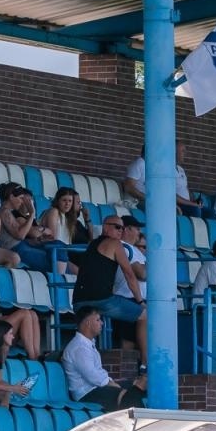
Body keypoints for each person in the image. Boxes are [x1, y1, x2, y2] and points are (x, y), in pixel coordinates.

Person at [72, 215, 145, 350]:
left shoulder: (92, 244)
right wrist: (140, 302)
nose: (121, 231)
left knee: (88, 332)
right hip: (102, 299)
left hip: (78, 300)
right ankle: (146, 364)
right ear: (105, 227)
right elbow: (130, 275)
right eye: (117, 227)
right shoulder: (115, 243)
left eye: (123, 229)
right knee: (145, 316)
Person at [121, 144, 196, 215]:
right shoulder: (139, 164)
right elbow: (128, 187)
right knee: (164, 212)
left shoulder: (151, 167)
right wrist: (149, 199)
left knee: (172, 210)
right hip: (136, 202)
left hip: (149, 202)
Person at [38, 186, 91, 251]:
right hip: (53, 251)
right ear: (58, 201)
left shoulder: (67, 218)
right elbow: (53, 239)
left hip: (64, 250)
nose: (67, 204)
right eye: (64, 200)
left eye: (70, 201)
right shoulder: (54, 211)